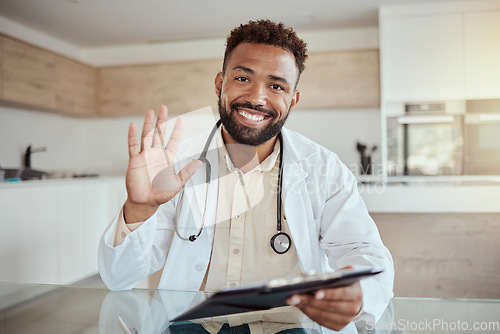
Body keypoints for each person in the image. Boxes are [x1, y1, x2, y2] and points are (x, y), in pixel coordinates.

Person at [98, 20, 394, 333]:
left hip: (287, 328)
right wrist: (139, 209)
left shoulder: (323, 167)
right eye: (243, 78)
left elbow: (363, 251)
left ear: (292, 100)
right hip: (192, 325)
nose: (257, 97)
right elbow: (119, 278)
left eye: (276, 86)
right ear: (219, 83)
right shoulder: (177, 164)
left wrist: (358, 293)